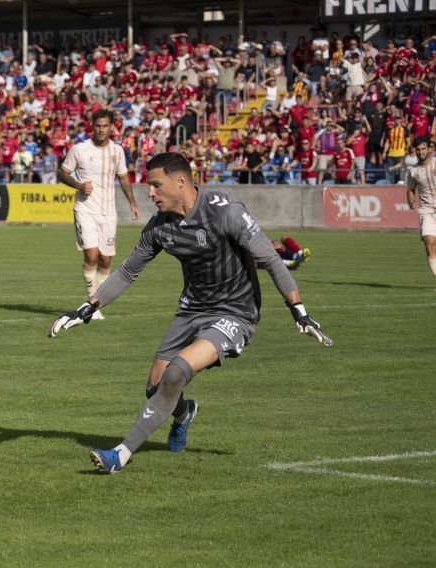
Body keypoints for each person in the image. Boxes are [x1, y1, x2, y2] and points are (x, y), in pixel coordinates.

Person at [49, 153, 333, 474]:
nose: (150, 193)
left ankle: (120, 454)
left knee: (176, 373)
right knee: (155, 387)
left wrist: (299, 311)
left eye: (156, 185)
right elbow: (128, 272)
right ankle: (184, 414)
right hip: (191, 309)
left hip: (235, 313)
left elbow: (269, 258)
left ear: (180, 181)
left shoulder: (224, 213)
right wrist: (88, 307)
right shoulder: (159, 227)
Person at [58, 109, 140, 321]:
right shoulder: (79, 149)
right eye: (98, 125)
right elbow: (63, 172)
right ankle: (91, 304)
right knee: (91, 255)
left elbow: (123, 178)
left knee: (105, 259)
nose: (101, 129)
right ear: (92, 127)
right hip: (85, 209)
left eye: (105, 125)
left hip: (108, 212)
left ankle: (97, 302)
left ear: (111, 127)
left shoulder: (117, 151)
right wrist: (78, 184)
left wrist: (132, 203)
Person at [406, 137, 436, 284]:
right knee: (429, 241)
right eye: (418, 149)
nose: (420, 152)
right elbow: (411, 189)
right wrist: (410, 201)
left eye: (423, 148)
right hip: (427, 210)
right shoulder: (413, 171)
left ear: (430, 149)